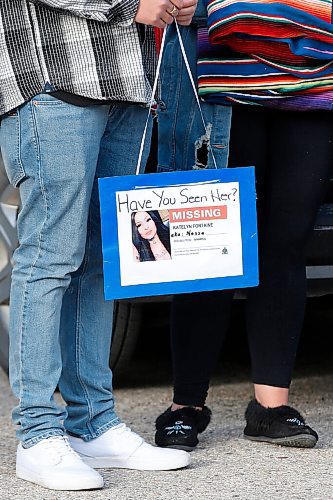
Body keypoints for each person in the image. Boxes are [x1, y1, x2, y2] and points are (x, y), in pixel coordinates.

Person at [0, 0, 198, 491]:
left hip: (130, 86)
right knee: (49, 258)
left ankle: (93, 423)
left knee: (98, 262)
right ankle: (37, 434)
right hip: (51, 80)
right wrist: (135, 5)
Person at [154, 0, 332, 451]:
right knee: (210, 245)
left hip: (316, 83)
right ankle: (186, 405)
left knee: (286, 245)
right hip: (218, 84)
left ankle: (270, 408)